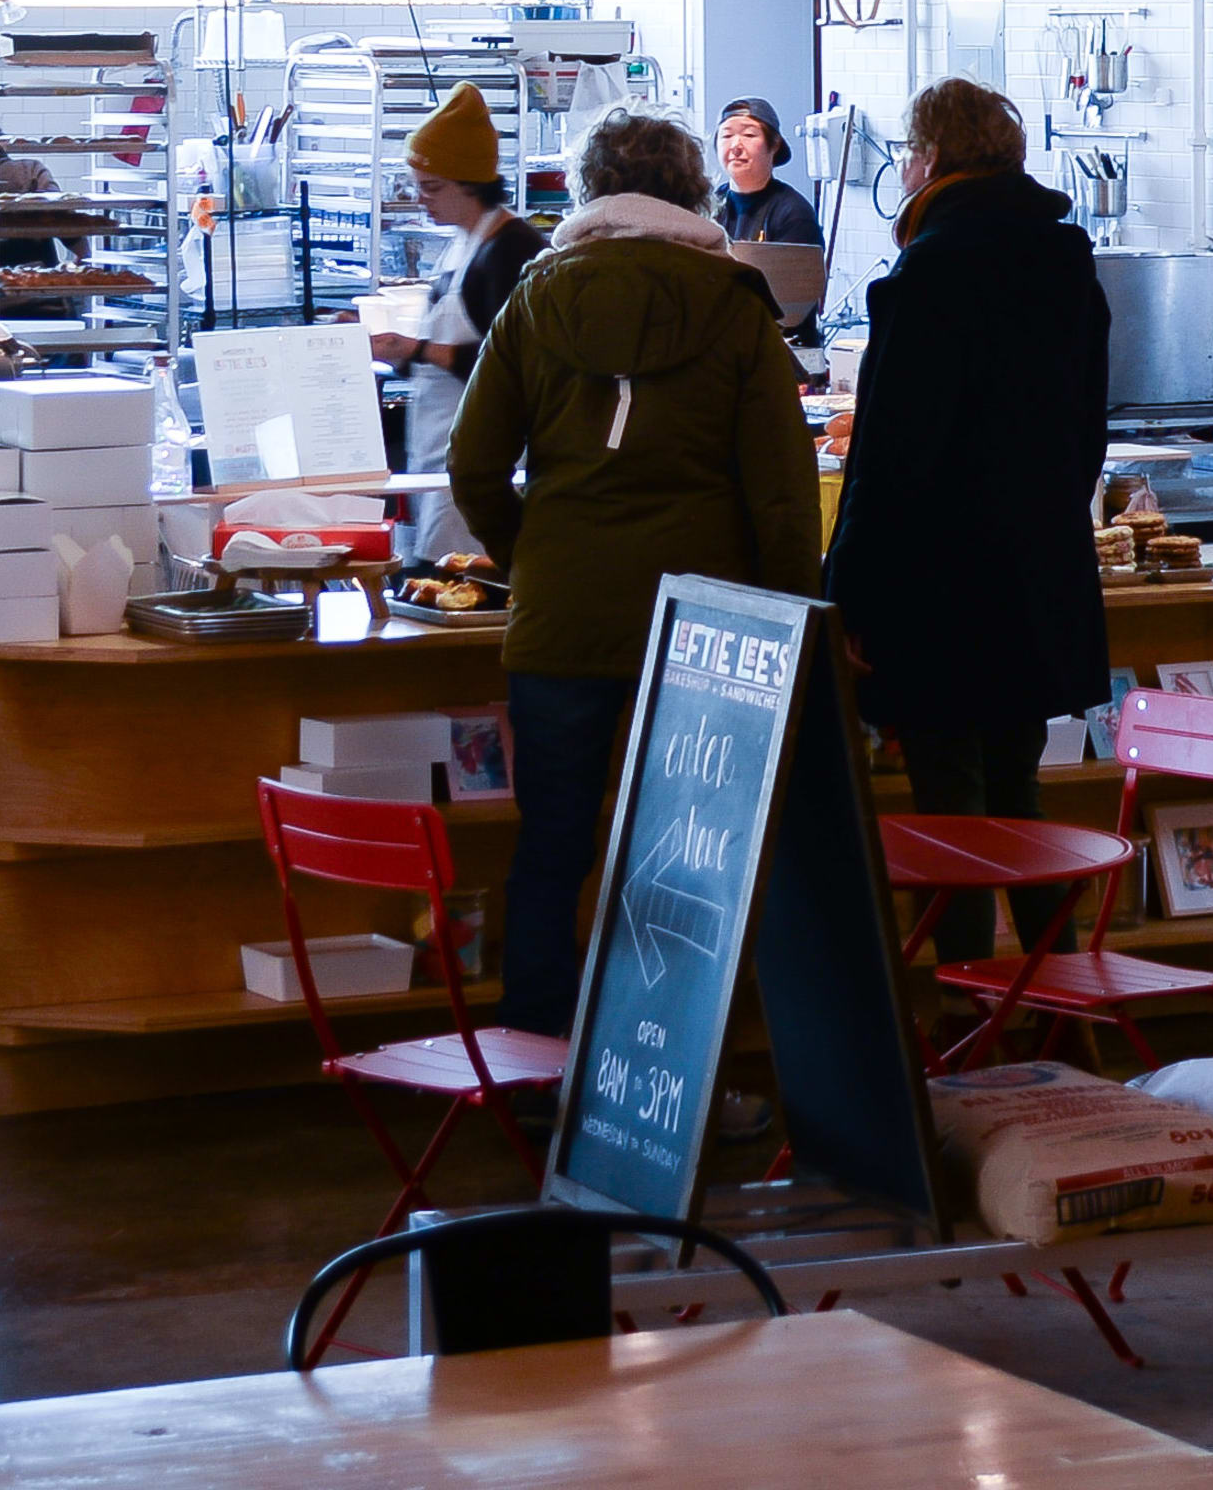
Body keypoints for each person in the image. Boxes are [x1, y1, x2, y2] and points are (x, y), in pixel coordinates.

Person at [451, 109, 824, 1040]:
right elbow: (782, 498)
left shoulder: (535, 300)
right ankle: (671, 1081)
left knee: (552, 850)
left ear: (589, 189)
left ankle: (538, 1055)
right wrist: (799, 631)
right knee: (692, 856)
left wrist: (532, 556)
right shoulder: (737, 310)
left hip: (562, 619)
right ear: (692, 192)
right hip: (707, 629)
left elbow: (472, 469)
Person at [822, 78, 1112, 963]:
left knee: (950, 807)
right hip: (1039, 574)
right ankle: (1057, 1001)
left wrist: (850, 592)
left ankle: (966, 1008)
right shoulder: (1067, 262)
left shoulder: (934, 268)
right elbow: (1088, 433)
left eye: (910, 155)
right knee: (1017, 793)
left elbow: (892, 456)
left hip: (941, 587)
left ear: (931, 159)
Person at [366, 80, 543, 565]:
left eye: (432, 187)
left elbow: (516, 370)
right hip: (440, 453)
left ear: (470, 181)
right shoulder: (463, 240)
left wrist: (416, 349)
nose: (421, 199)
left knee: (463, 586)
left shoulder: (512, 251)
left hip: (482, 468)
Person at [711, 96, 825, 247]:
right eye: (726, 135)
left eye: (749, 135)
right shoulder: (711, 205)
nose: (736, 146)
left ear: (775, 144)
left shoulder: (793, 213)